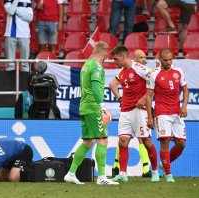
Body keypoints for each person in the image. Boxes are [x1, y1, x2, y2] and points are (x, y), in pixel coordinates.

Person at [64, 41, 119, 185]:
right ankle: (102, 177)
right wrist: (102, 108)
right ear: (105, 53)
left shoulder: (86, 65)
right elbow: (95, 89)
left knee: (88, 141)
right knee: (102, 139)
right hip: (93, 108)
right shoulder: (97, 67)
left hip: (84, 107)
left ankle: (70, 173)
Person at [108, 46, 159, 182]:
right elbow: (112, 84)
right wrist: (120, 98)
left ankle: (154, 172)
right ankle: (123, 174)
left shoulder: (138, 68)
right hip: (125, 110)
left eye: (116, 59)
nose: (114, 61)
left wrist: (145, 97)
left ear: (123, 56)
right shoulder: (122, 72)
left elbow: (154, 79)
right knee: (123, 141)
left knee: (147, 141)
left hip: (140, 111)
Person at [146, 49, 188, 182]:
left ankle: (164, 163)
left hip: (176, 112)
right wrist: (150, 116)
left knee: (181, 144)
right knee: (165, 142)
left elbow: (185, 90)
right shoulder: (154, 74)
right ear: (159, 59)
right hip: (162, 112)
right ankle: (169, 175)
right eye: (165, 60)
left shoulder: (178, 71)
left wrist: (184, 106)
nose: (168, 62)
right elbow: (148, 96)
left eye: (170, 59)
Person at [4, 0, 33, 72]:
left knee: (25, 64)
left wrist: (17, 11)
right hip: (11, 34)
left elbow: (30, 17)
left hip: (24, 34)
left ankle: (24, 81)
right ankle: (9, 81)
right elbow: (11, 12)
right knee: (10, 64)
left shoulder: (27, 1)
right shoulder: (8, 0)